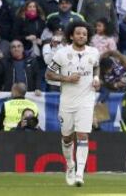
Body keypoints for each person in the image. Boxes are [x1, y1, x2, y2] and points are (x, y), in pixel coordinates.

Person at [45, 21, 100, 187]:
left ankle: (79, 174)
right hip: (68, 101)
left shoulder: (94, 52)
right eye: (78, 33)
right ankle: (70, 164)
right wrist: (66, 78)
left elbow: (96, 67)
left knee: (83, 135)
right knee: (67, 137)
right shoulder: (62, 53)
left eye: (84, 34)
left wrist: (96, 78)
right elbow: (48, 74)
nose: (81, 36)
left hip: (86, 100)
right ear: (71, 35)